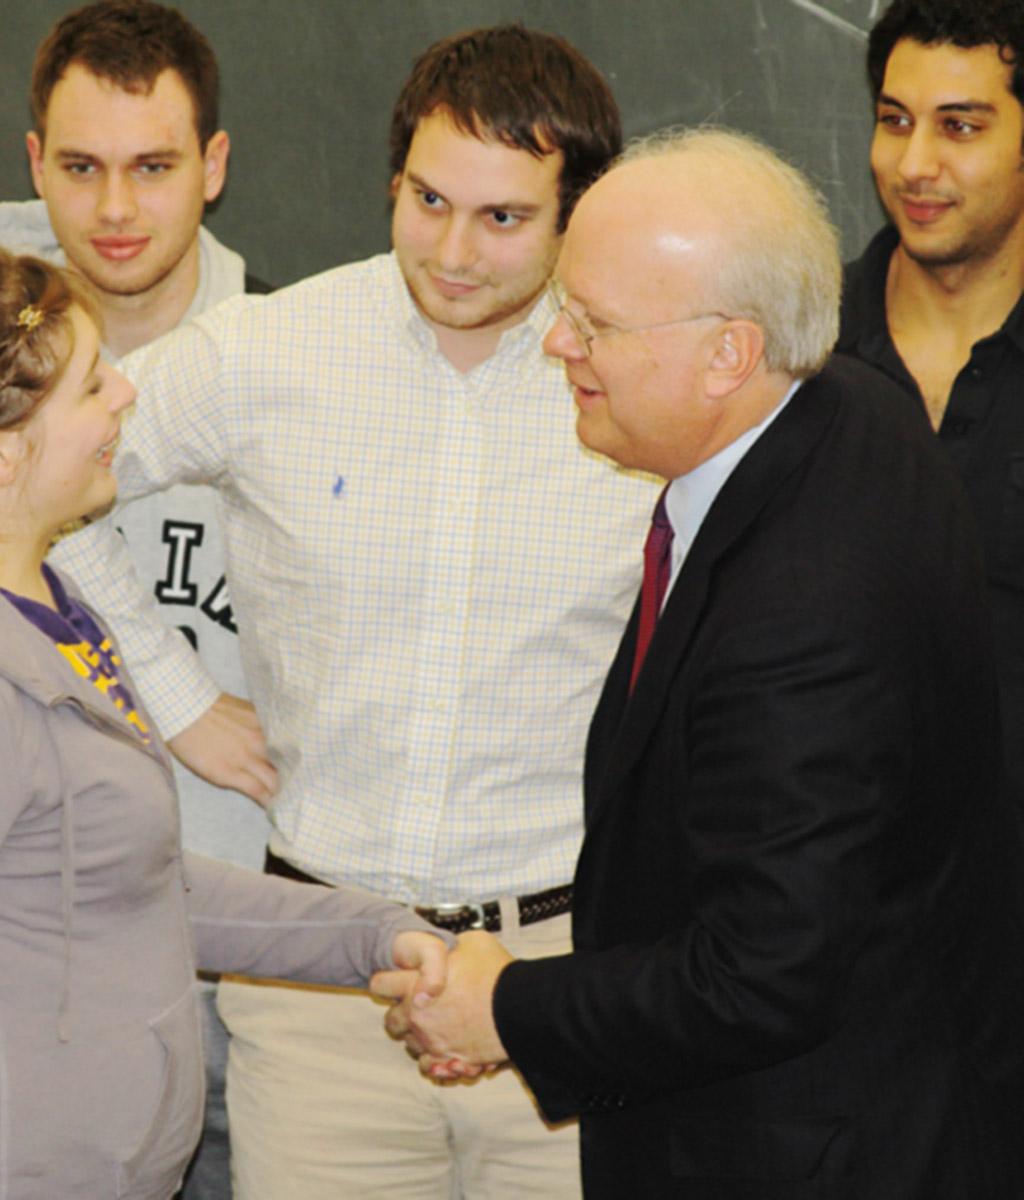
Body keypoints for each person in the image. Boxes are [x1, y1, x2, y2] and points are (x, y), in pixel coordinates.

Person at [52, 24, 660, 1199]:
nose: (454, 250)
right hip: (316, 984)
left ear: (575, 216)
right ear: (393, 179)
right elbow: (43, 479)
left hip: (561, 977)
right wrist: (175, 696)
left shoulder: (637, 383)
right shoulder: (267, 352)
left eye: (503, 217)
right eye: (428, 199)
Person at [376, 127, 1024, 1198]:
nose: (556, 346)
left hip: (801, 1149)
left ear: (731, 351)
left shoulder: (800, 605)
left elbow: (761, 975)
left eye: (594, 324)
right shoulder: (846, 410)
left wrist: (506, 1008)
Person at [0, 247, 452, 1200]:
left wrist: (372, 935)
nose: (124, 394)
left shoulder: (41, 601)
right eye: (89, 384)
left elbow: (127, 882)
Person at [0, 5, 271, 1191]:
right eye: (79, 168)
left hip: (242, 972)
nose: (115, 210)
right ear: (35, 165)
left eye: (154, 168)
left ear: (214, 168)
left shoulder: (290, 366)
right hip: (20, 976)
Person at [837, 0, 1024, 819]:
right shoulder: (792, 357)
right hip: (828, 904)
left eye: (959, 127)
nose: (913, 164)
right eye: (894, 120)